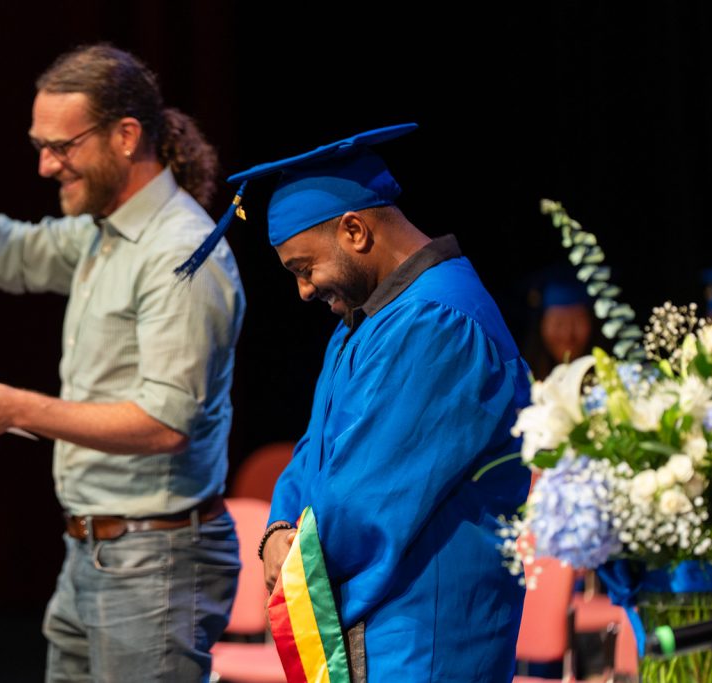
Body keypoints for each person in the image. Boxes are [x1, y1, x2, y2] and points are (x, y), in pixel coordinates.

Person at [0, 24, 244, 682]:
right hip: (91, 551)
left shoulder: (179, 253)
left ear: (126, 135)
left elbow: (165, 424)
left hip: (154, 560)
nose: (46, 166)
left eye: (61, 147)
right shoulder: (101, 233)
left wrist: (17, 407)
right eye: (40, 147)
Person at [178, 125, 531, 681]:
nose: (303, 290)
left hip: (423, 635)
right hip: (380, 623)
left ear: (354, 230)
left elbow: (366, 496)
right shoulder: (366, 322)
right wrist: (277, 529)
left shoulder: (438, 321)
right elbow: (313, 451)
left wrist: (294, 559)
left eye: (304, 268)